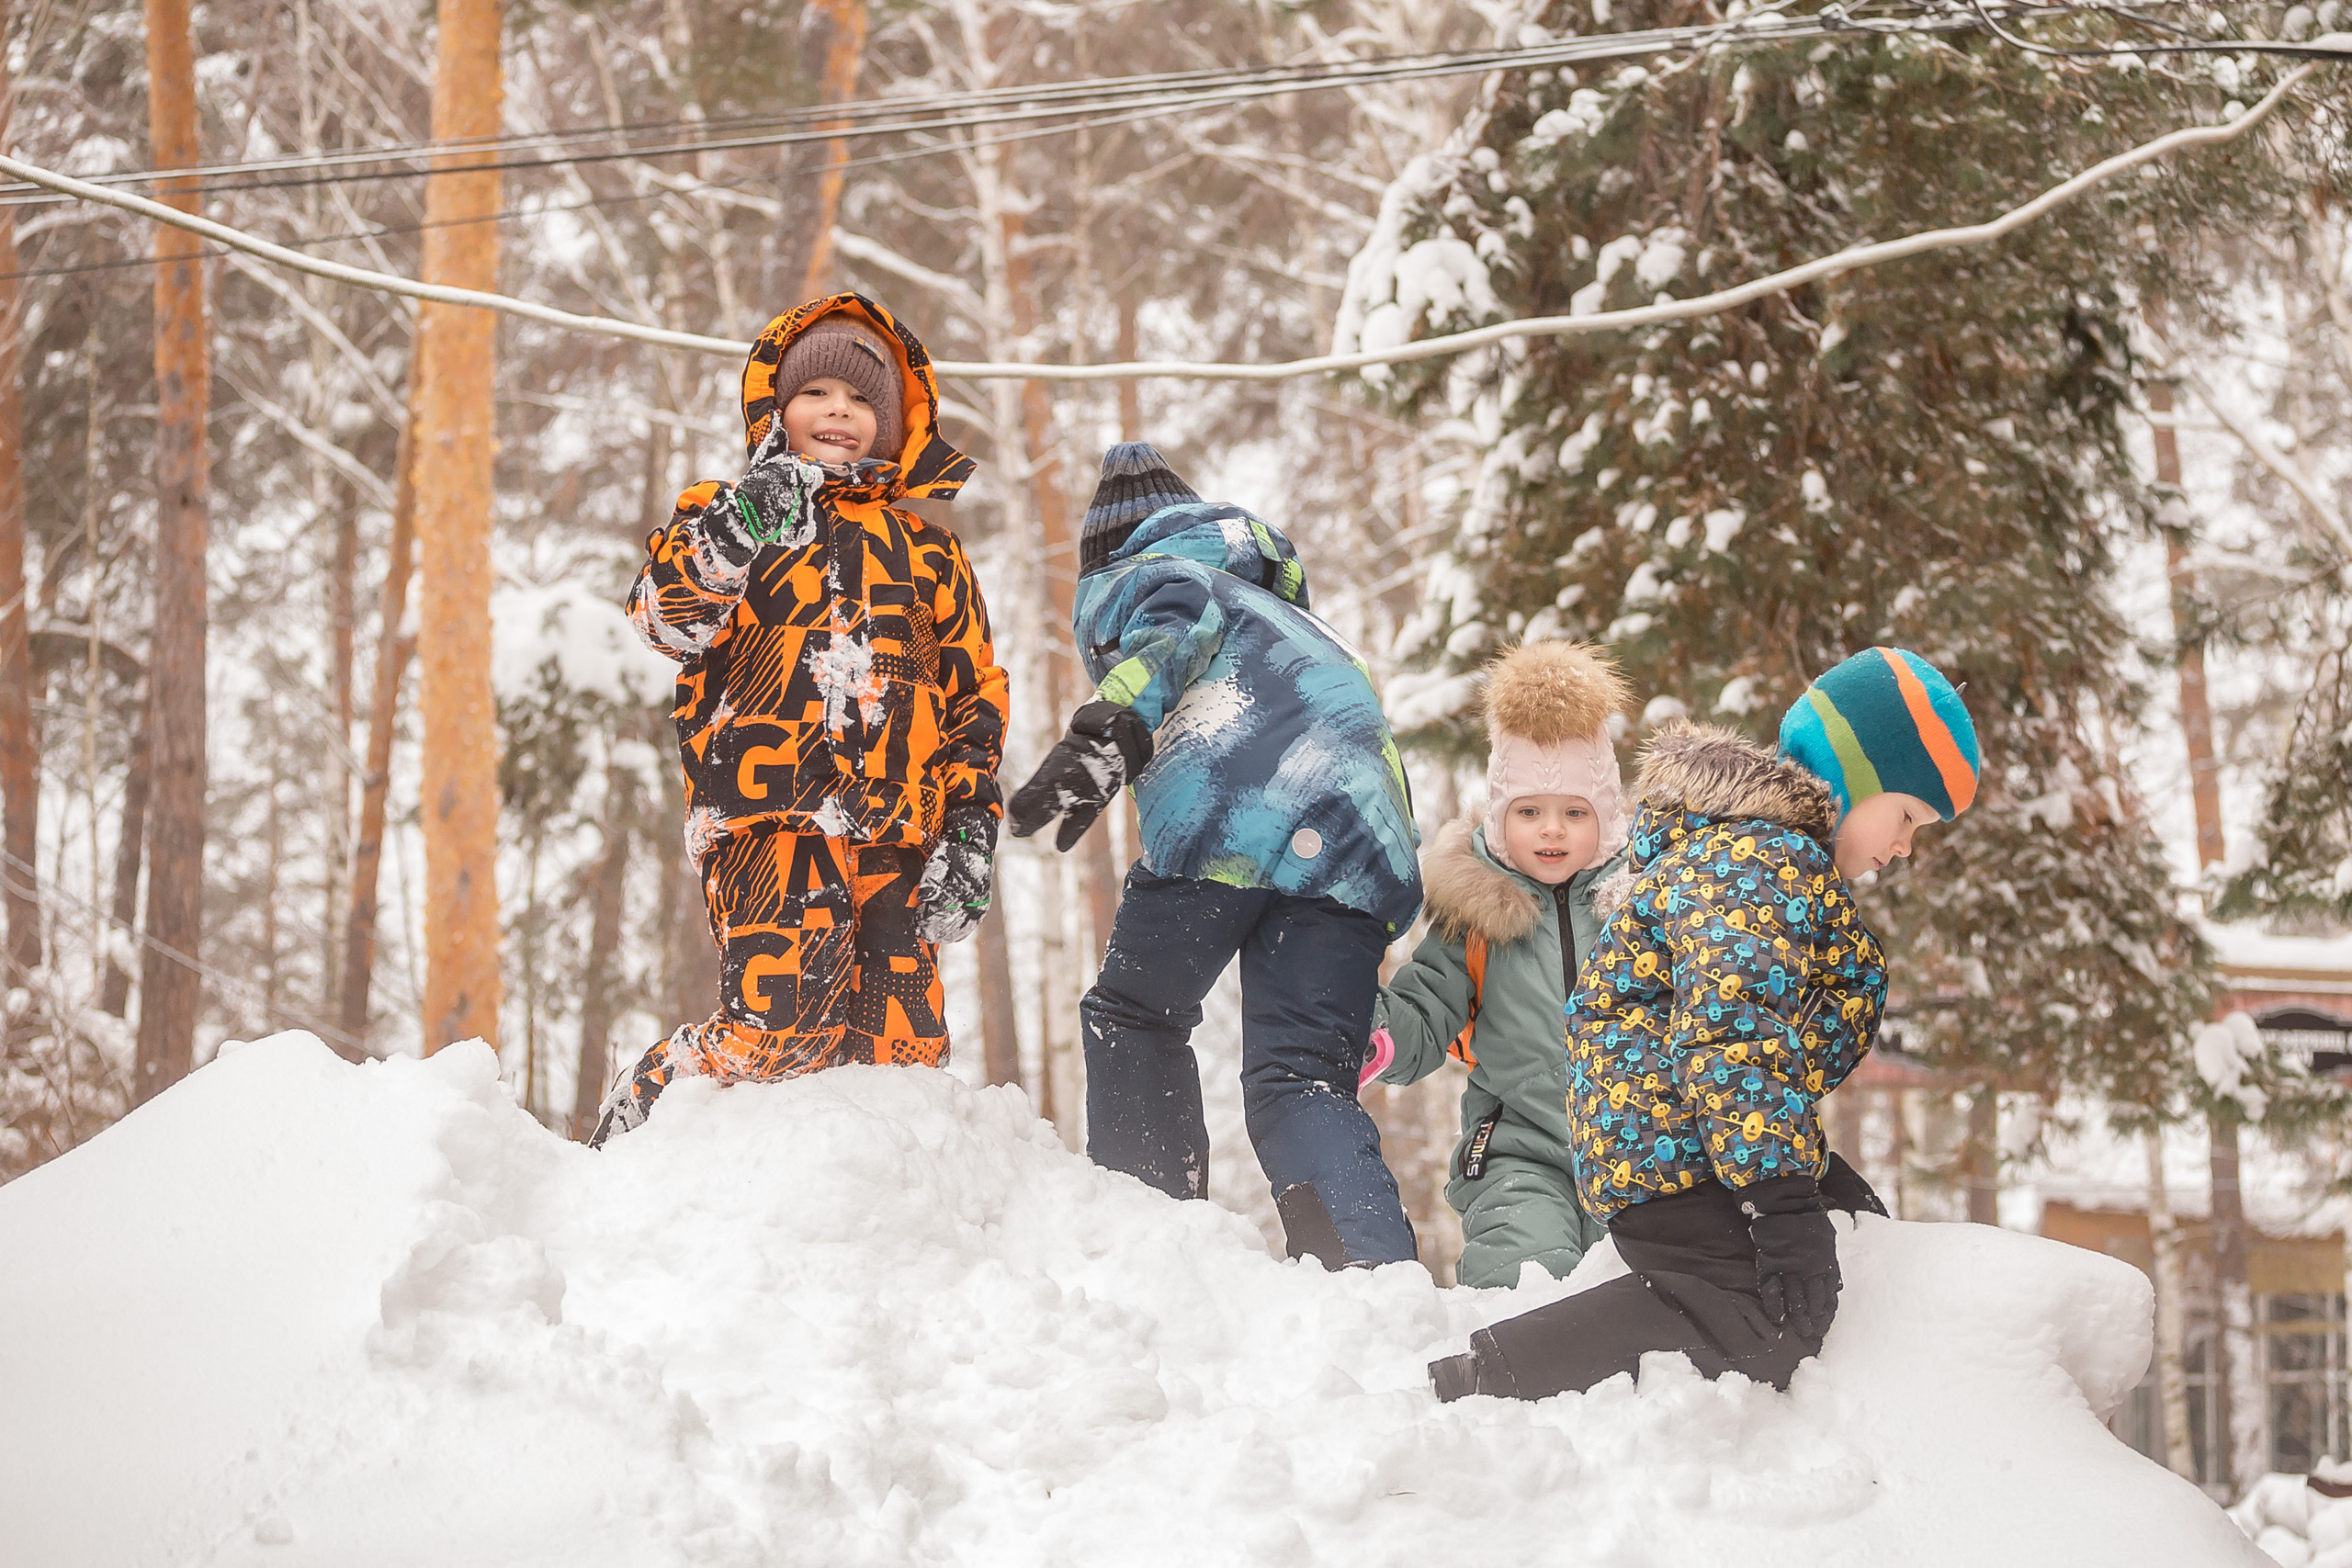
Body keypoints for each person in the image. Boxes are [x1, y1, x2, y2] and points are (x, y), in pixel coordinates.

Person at [1430, 647, 1979, 1398]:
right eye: (1909, 814)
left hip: (1688, 1141)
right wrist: (1781, 1199)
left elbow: (1764, 1050)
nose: (1904, 846)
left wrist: (1807, 1177)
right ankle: (1492, 1376)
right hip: (1666, 1150)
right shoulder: (1758, 860)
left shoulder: (1761, 859)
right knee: (1767, 1320)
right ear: (1856, 774)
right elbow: (1733, 1032)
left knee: (1824, 1265)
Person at [594, 294, 1008, 1145]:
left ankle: (853, 1239)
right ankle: (654, 1094)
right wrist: (739, 526)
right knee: (777, 1035)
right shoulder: (728, 514)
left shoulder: (931, 551)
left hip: (900, 833)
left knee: (902, 1062)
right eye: (818, 393)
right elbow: (665, 619)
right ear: (776, 408)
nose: (840, 413)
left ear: (896, 427)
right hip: (768, 815)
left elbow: (975, 700)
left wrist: (971, 829)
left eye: (863, 402)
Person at [1007, 443, 1423, 1269]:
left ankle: (1156, 1245)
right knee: (1303, 1076)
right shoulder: (1300, 618)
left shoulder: (1166, 573)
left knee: (1134, 1015)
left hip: (1231, 819)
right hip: (1358, 848)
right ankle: (1374, 1278)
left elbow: (1171, 628)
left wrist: (1107, 732)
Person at [1362, 639, 1632, 1289]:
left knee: (1639, 1288)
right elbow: (1427, 1006)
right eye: (1529, 812)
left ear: (1609, 814)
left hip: (1640, 1152)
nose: (1551, 831)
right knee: (1524, 1270)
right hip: (1517, 1150)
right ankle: (1521, 1375)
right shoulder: (1477, 914)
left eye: (1575, 812)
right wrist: (1373, 1031)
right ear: (1500, 814)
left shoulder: (1642, 908)